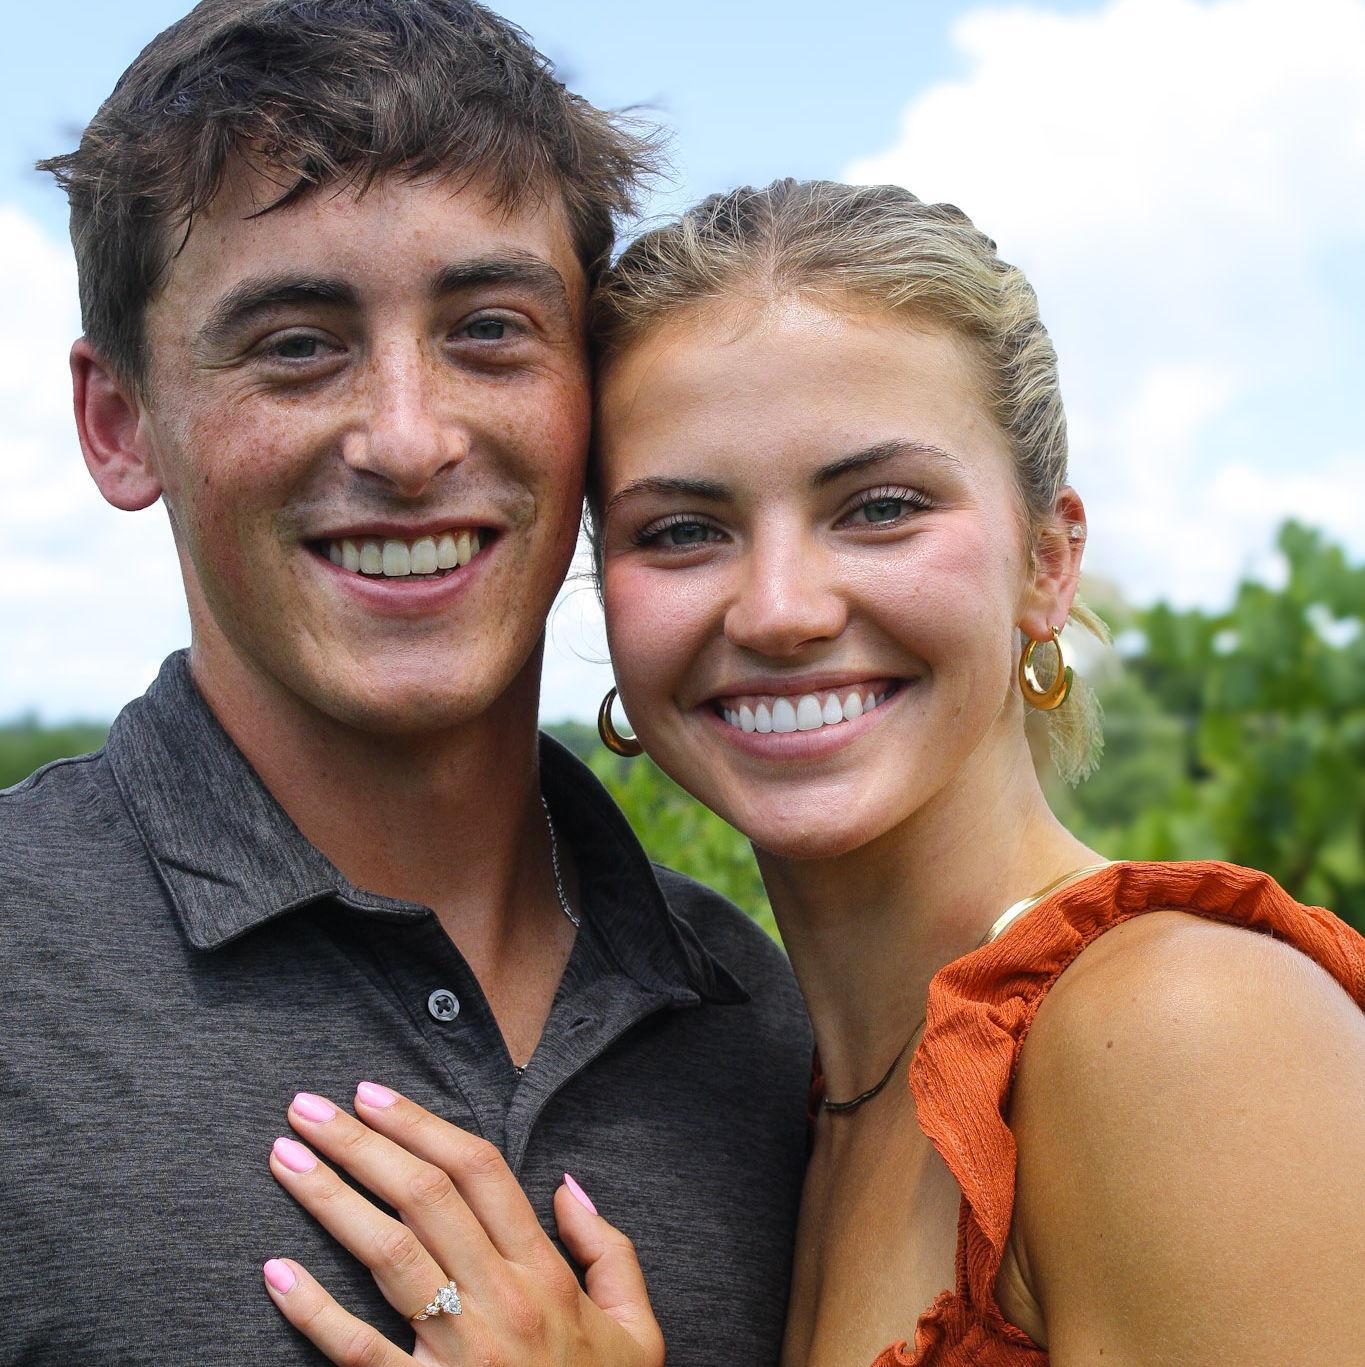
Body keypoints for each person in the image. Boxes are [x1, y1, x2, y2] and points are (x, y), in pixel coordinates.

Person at [258, 180, 1365, 1367]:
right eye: (683, 530)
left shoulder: (1179, 1028)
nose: (780, 610)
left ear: (1047, 559)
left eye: (879, 508)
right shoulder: (803, 1093)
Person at [1, 7, 814, 1363]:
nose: (408, 438)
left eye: (489, 329)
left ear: (594, 397)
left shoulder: (764, 1023)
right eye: (296, 344)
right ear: (119, 420)